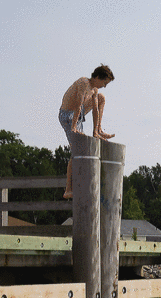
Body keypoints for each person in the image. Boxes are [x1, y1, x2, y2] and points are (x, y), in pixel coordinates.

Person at [59, 64, 115, 199]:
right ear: (97, 77)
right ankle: (68, 189)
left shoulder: (94, 89)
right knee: (77, 149)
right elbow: (78, 105)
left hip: (78, 114)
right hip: (68, 115)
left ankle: (99, 131)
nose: (105, 86)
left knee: (101, 97)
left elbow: (95, 109)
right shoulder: (83, 83)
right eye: (104, 82)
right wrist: (73, 128)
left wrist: (96, 130)